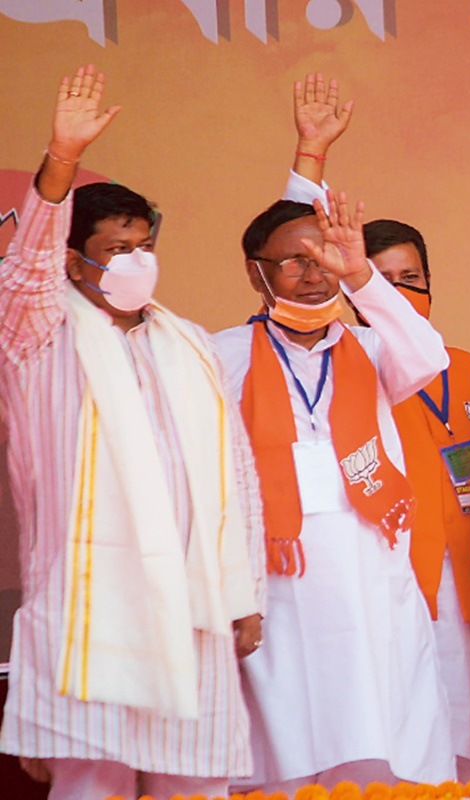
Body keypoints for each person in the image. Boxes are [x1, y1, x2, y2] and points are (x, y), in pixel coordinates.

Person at [0, 65, 265, 800]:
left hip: (191, 608)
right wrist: (60, 161)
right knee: (92, 785)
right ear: (71, 259)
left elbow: (236, 474)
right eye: (115, 249)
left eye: (143, 244)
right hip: (90, 608)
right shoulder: (37, 335)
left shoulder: (187, 344)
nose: (134, 261)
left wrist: (246, 594)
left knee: (196, 787)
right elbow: (23, 275)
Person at [280, 72, 470, 781]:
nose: (402, 294)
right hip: (397, 582)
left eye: (412, 277)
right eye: (382, 281)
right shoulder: (355, 362)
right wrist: (310, 159)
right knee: (407, 756)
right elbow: (287, 252)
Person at [215, 181, 454, 791]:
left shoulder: (372, 346)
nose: (312, 274)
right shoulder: (223, 355)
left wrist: (363, 278)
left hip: (372, 569)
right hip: (279, 580)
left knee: (386, 733)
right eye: (293, 260)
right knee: (294, 741)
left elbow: (428, 355)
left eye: (322, 258)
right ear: (255, 273)